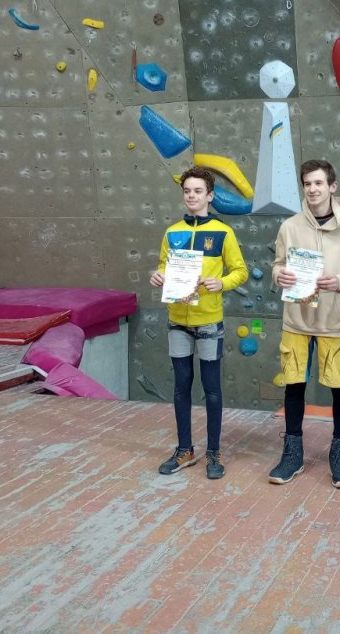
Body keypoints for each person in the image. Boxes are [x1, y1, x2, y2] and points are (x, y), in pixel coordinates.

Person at [269, 160, 340, 488]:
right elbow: (278, 264)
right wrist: (279, 275)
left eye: (318, 183)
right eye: (307, 184)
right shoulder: (289, 227)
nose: (313, 189)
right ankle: (292, 455)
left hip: (335, 320)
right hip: (297, 320)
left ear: (332, 186)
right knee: (294, 386)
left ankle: (339, 456)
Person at [150, 165, 247, 480]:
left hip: (209, 323)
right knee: (181, 387)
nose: (191, 196)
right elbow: (163, 266)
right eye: (187, 191)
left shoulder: (223, 232)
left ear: (210, 195)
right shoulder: (172, 232)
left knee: (212, 389)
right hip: (177, 320)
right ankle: (185, 450)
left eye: (197, 191)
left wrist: (223, 283)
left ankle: (214, 452)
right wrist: (158, 275)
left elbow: (240, 271)